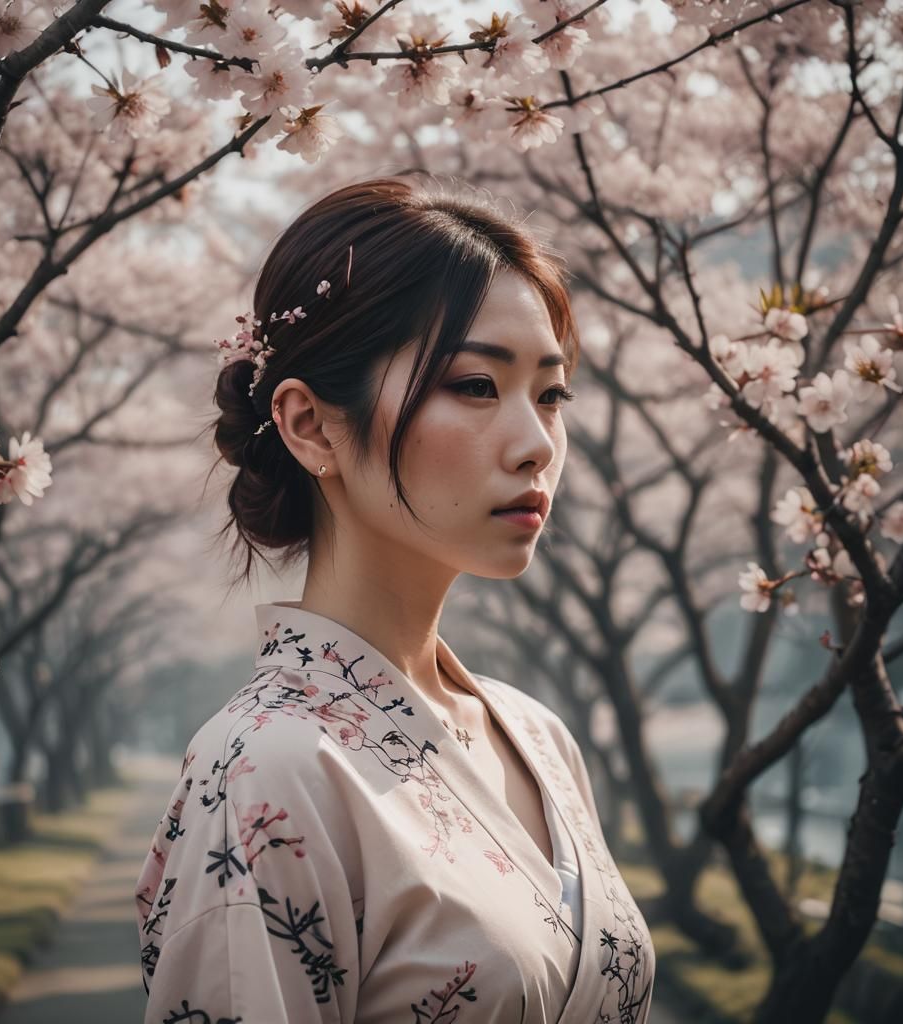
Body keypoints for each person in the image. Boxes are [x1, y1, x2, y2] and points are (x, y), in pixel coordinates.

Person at [135, 175, 656, 1023]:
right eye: (476, 387)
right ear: (311, 426)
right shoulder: (267, 768)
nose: (536, 447)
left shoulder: (536, 736)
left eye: (551, 395)